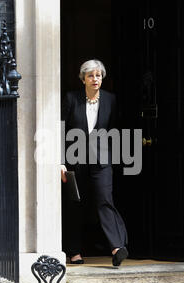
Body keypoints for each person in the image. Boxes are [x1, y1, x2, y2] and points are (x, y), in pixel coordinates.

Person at [61, 59, 128, 267]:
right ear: (83, 79)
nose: (95, 79)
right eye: (90, 75)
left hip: (102, 159)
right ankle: (74, 251)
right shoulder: (71, 99)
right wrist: (60, 162)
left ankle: (117, 247)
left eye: (98, 75)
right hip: (75, 159)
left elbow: (114, 130)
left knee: (104, 199)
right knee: (76, 204)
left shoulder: (110, 99)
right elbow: (60, 129)